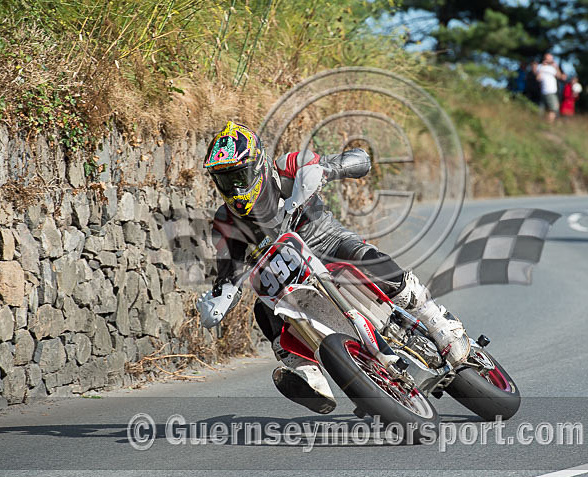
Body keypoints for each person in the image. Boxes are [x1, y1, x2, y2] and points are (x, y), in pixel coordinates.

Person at [197, 122, 472, 414]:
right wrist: (218, 299)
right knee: (263, 310)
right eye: (226, 180)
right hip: (286, 277)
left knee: (367, 257)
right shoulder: (225, 221)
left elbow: (357, 160)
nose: (236, 188)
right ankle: (305, 371)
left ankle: (438, 322)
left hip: (328, 242)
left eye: (239, 176)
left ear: (258, 165)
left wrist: (325, 171)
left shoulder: (286, 167)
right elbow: (228, 271)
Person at [537, 53, 566, 123]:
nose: (550, 60)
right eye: (548, 58)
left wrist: (556, 67)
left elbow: (560, 77)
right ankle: (549, 124)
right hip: (546, 91)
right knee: (554, 108)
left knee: (549, 109)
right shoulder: (540, 66)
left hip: (553, 91)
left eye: (551, 59)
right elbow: (538, 78)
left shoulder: (553, 68)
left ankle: (545, 123)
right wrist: (542, 67)